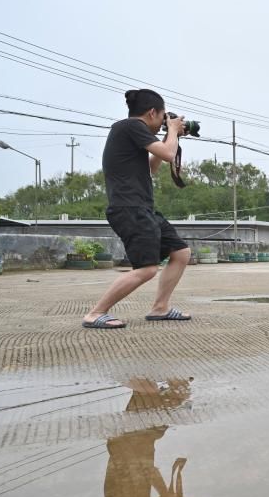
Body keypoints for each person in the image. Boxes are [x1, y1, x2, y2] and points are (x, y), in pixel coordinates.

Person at [82, 89, 192, 329]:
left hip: (142, 208)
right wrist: (172, 132)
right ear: (152, 112)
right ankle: (95, 313)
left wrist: (170, 136)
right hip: (129, 208)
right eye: (163, 117)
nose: (163, 123)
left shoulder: (133, 134)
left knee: (181, 253)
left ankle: (160, 308)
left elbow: (154, 166)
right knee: (147, 269)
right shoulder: (129, 126)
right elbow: (168, 153)